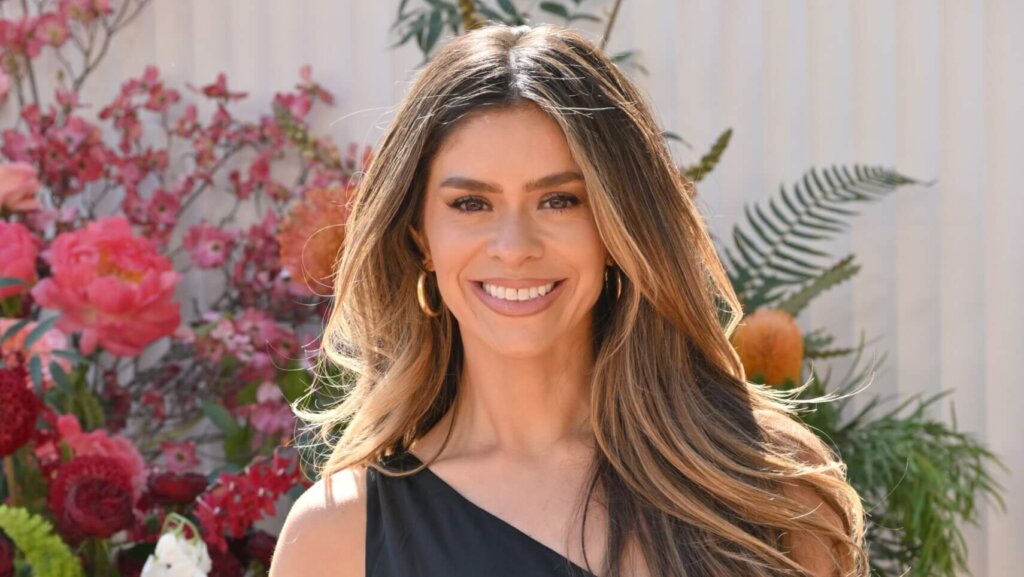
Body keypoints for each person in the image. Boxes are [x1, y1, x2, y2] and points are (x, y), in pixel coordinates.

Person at [269, 22, 868, 577]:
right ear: (421, 238)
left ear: (617, 228)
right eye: (471, 204)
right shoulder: (337, 538)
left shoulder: (768, 489)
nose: (514, 247)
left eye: (559, 200)